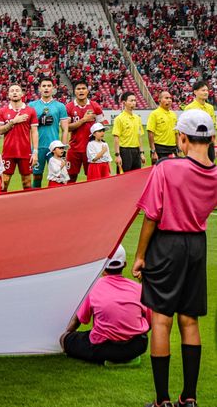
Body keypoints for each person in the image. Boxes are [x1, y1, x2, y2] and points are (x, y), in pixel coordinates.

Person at [132, 110, 217, 407]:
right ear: (212, 139)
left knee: (161, 320)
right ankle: (189, 398)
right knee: (189, 320)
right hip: (197, 245)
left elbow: (151, 216)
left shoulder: (166, 168)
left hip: (166, 245)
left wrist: (140, 256)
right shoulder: (215, 174)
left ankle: (162, 401)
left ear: (181, 138)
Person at [60, 246, 151, 365]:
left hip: (103, 349)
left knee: (65, 340)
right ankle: (126, 357)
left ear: (103, 266)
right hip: (136, 347)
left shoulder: (93, 287)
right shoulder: (138, 288)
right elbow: (150, 322)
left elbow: (79, 320)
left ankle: (111, 357)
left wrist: (66, 335)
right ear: (124, 264)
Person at [0, 84, 39, 191]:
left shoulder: (30, 111)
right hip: (8, 151)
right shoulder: (3, 111)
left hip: (25, 152)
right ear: (8, 95)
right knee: (4, 183)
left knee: (27, 183)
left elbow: (34, 132)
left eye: (17, 90)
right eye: (12, 91)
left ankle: (27, 206)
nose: (14, 92)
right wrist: (13, 122)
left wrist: (35, 152)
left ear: (22, 94)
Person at [29, 78, 69, 188]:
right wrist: (40, 122)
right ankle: (35, 199)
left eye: (49, 86)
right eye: (44, 86)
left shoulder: (60, 106)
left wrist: (63, 149)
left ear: (53, 88)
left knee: (57, 176)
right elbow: (28, 128)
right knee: (37, 176)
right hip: (38, 147)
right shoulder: (32, 106)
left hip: (54, 148)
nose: (46, 88)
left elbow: (65, 129)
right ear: (40, 88)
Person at [66, 81, 105, 183]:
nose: (81, 91)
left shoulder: (95, 106)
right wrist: (84, 120)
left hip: (92, 149)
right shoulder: (69, 107)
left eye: (83, 88)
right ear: (75, 91)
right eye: (78, 89)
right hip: (74, 148)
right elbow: (67, 128)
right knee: (70, 177)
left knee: (92, 178)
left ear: (87, 91)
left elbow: (101, 127)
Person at [112, 92, 145, 173]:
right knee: (123, 179)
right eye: (131, 100)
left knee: (136, 177)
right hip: (125, 151)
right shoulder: (119, 119)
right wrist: (117, 155)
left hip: (136, 151)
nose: (134, 102)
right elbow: (116, 138)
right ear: (124, 103)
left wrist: (141, 153)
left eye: (134, 100)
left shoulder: (137, 118)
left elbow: (139, 137)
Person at [183, 80, 215, 161]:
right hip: (195, 143)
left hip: (209, 143)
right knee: (196, 166)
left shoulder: (210, 108)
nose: (206, 92)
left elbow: (213, 127)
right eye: (203, 90)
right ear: (195, 92)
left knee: (210, 165)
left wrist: (215, 145)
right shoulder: (189, 108)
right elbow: (185, 129)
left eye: (207, 90)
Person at [147, 91, 178, 164]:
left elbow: (176, 134)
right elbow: (150, 133)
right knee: (159, 174)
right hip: (160, 148)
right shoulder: (154, 114)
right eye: (166, 98)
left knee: (172, 173)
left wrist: (179, 149)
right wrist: (153, 151)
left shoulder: (173, 115)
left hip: (173, 148)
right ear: (159, 100)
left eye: (170, 98)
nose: (169, 100)